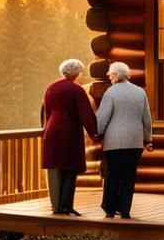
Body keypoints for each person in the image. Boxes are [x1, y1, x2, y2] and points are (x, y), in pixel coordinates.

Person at [95, 60, 153, 219]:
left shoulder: (111, 93)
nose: (110, 78)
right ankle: (125, 210)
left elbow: (102, 118)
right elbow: (146, 118)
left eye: (110, 75)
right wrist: (148, 139)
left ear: (115, 75)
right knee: (129, 177)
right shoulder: (140, 92)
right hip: (134, 142)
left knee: (112, 175)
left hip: (114, 143)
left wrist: (98, 133)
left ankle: (110, 209)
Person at [41, 58, 99, 216]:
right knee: (69, 169)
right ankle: (67, 206)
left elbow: (46, 110)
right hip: (68, 131)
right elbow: (85, 114)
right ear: (76, 73)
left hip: (52, 130)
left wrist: (45, 129)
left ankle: (57, 206)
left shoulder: (51, 87)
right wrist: (95, 133)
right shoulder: (76, 89)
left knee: (56, 168)